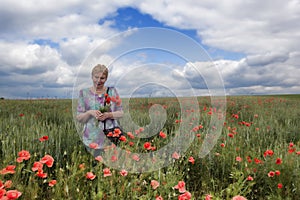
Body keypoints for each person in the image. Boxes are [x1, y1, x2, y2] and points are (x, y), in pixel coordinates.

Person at [76, 64, 123, 156]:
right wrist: (90, 113)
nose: (98, 81)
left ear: (106, 78)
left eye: (102, 78)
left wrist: (108, 115)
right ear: (91, 76)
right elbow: (79, 118)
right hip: (91, 139)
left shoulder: (112, 91)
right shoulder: (84, 93)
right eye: (96, 77)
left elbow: (121, 113)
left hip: (110, 138)